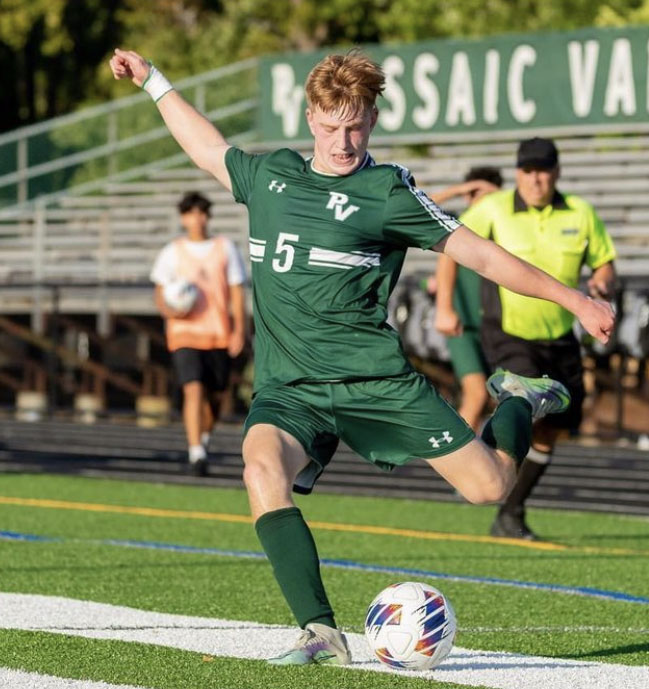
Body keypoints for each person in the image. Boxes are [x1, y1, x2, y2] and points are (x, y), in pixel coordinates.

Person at [110, 49, 614, 665]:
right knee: (260, 469)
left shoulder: (386, 193)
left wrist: (575, 299)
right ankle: (319, 631)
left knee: (491, 488)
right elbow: (206, 146)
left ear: (372, 119)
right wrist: (154, 80)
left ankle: (515, 399)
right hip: (289, 388)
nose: (342, 141)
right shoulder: (272, 177)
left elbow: (481, 254)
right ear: (310, 115)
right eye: (329, 125)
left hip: (375, 383)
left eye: (355, 125)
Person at [458, 138, 617, 540]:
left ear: (557, 172)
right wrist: (445, 304)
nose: (536, 178)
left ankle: (510, 512)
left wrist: (601, 282)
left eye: (543, 170)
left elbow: (604, 262)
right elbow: (449, 246)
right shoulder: (492, 209)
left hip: (561, 335)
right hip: (509, 330)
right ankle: (485, 470)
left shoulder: (581, 212)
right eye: (528, 170)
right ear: (517, 173)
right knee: (525, 398)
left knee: (553, 427)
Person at [150, 191, 246, 476]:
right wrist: (169, 311)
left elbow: (237, 292)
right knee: (193, 388)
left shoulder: (225, 248)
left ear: (208, 216)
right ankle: (196, 454)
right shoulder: (172, 251)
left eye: (202, 213)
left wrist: (240, 330)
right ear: (183, 218)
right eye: (191, 213)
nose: (197, 219)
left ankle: (202, 438)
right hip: (185, 333)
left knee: (216, 396)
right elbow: (159, 291)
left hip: (218, 333)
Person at [432, 167, 503, 430]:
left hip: (498, 326)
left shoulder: (504, 224)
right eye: (473, 193)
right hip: (463, 326)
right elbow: (417, 202)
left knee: (502, 399)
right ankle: (460, 463)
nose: (479, 199)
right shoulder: (456, 223)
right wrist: (459, 190)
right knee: (476, 394)